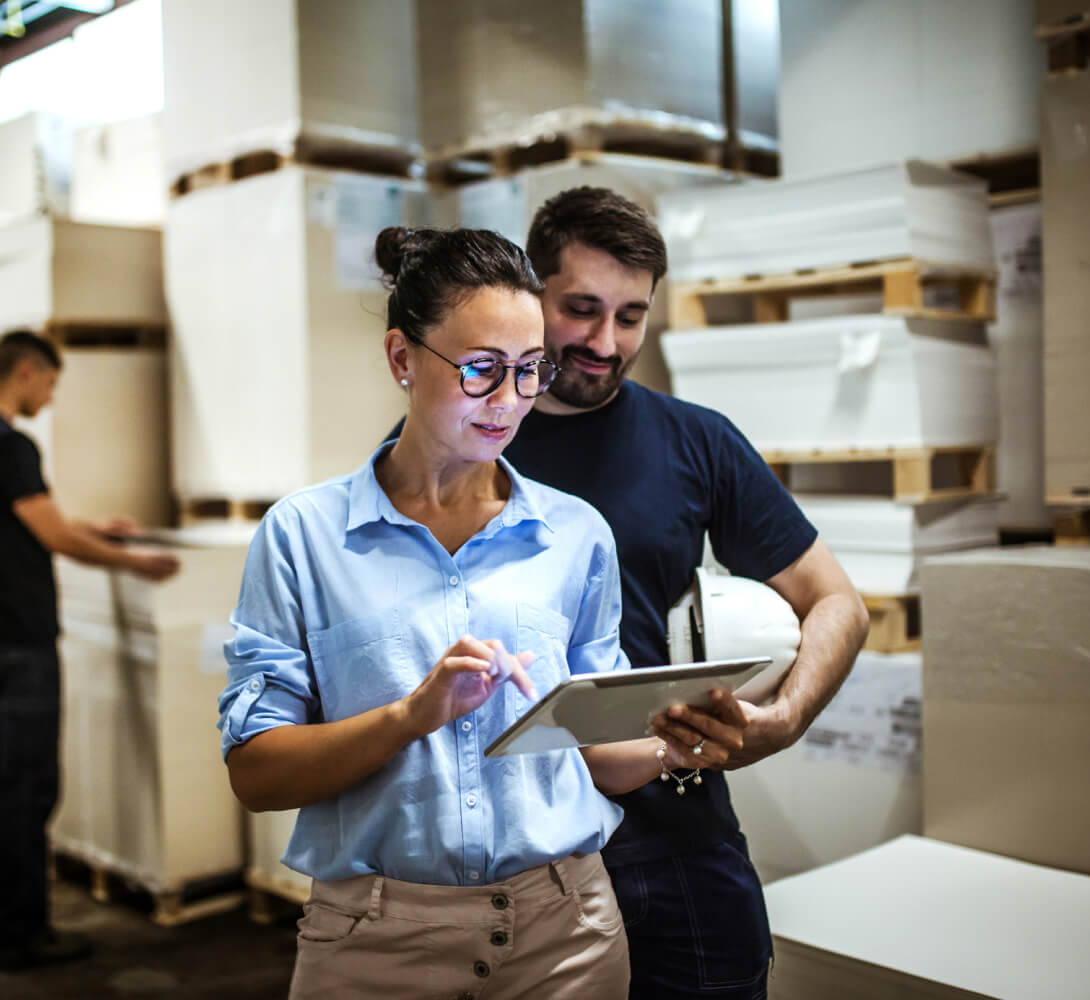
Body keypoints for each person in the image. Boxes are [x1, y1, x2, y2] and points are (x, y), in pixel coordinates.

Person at [219, 227, 748, 1000]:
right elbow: (256, 775)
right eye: (481, 370)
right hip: (375, 945)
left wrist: (680, 743)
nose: (509, 402)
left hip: (567, 935)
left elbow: (594, 751)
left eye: (530, 371)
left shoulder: (575, 536)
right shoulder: (304, 537)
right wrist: (409, 715)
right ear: (402, 358)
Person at [506, 187, 870, 998]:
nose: (606, 342)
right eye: (582, 309)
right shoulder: (460, 440)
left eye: (631, 316)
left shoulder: (693, 439)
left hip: (675, 835)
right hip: (516, 844)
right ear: (533, 295)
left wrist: (783, 720)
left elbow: (837, 602)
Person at [0, 329, 180, 972]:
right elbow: (51, 536)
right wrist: (132, 562)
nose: (49, 397)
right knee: (26, 789)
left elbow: (32, 520)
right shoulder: (12, 444)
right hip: (18, 646)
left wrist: (95, 528)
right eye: (49, 383)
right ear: (25, 372)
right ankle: (23, 934)